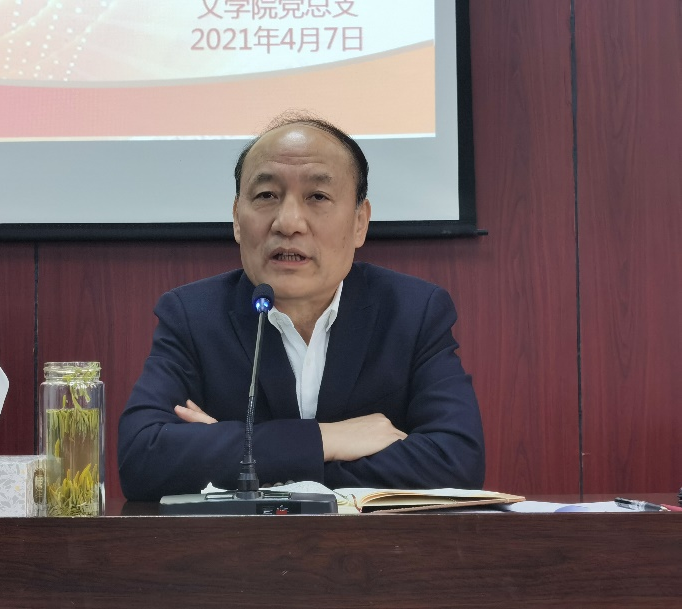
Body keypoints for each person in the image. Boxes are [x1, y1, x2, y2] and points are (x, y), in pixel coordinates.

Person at [118, 113, 484, 501]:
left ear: (360, 222)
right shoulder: (192, 316)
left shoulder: (413, 313)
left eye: (317, 197)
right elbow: (142, 459)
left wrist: (241, 456)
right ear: (237, 219)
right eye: (266, 196)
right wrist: (328, 439)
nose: (289, 222)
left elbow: (456, 462)